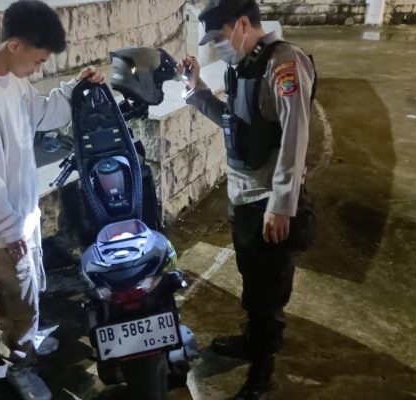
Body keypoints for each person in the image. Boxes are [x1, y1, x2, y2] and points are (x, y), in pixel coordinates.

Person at [0, 1, 104, 399]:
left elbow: (42, 113)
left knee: (30, 290)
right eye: (37, 61)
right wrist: (8, 234)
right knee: (12, 300)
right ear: (14, 45)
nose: (37, 70)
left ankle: (28, 344)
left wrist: (76, 90)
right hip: (4, 229)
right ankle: (18, 366)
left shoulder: (13, 79)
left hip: (22, 216)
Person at [178, 0, 316, 398]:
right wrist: (196, 89)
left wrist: (282, 204)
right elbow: (235, 125)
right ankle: (254, 340)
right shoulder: (241, 66)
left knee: (268, 291)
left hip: (268, 202)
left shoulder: (284, 64)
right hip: (242, 197)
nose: (217, 46)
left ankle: (262, 373)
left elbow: (295, 137)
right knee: (252, 279)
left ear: (242, 24)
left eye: (220, 37)